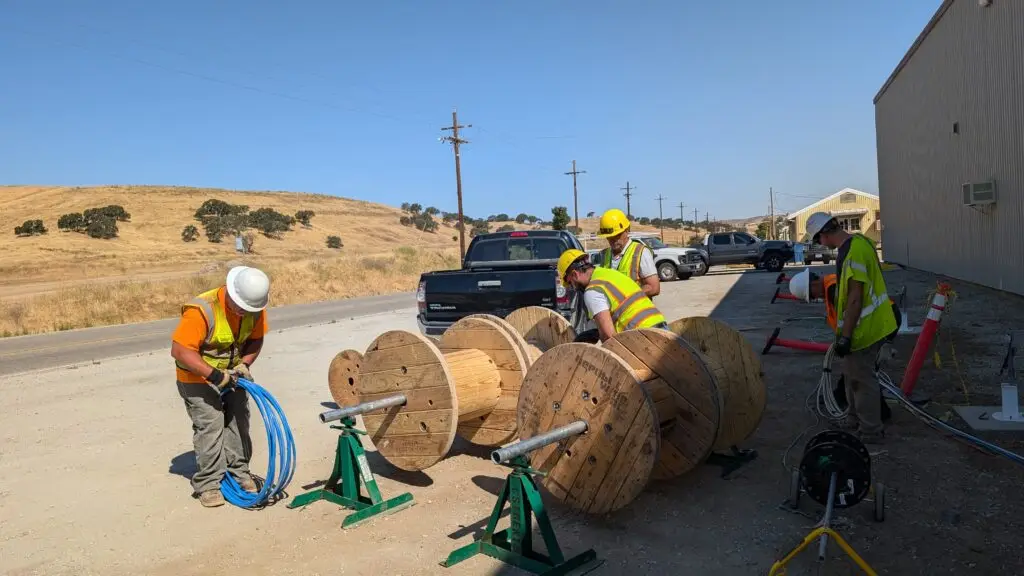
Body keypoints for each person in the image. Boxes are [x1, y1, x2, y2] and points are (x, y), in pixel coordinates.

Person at [170, 265, 271, 507]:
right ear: (230, 292)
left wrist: (245, 364)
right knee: (211, 426)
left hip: (233, 375)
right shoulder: (202, 310)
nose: (244, 312)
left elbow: (256, 338)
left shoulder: (254, 308)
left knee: (238, 422)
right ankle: (209, 484)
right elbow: (180, 351)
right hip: (197, 378)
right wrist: (216, 376)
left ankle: (239, 472)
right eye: (241, 307)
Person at [805, 212, 897, 443]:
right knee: (851, 376)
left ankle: (871, 431)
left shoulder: (853, 252)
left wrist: (845, 337)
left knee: (862, 381)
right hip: (871, 324)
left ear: (824, 234)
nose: (820, 244)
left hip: (866, 329)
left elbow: (855, 297)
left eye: (818, 239)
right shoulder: (860, 243)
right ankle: (853, 419)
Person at [558, 249, 668, 343]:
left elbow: (609, 337)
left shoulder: (592, 291)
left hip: (643, 339)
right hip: (662, 329)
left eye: (570, 283)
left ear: (574, 274)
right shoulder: (609, 274)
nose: (573, 287)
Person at [595, 208, 660, 298]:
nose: (612, 240)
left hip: (635, 310)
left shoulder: (640, 252)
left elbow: (653, 287)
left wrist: (627, 297)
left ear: (627, 230)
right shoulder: (604, 255)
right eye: (609, 237)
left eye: (616, 235)